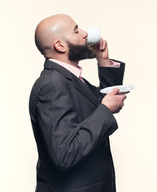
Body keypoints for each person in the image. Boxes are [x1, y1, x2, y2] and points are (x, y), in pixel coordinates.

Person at [29, 14, 126, 192]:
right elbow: (65, 155)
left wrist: (103, 61)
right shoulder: (52, 86)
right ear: (60, 45)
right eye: (76, 31)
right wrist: (105, 109)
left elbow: (102, 101)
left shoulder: (68, 78)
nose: (85, 34)